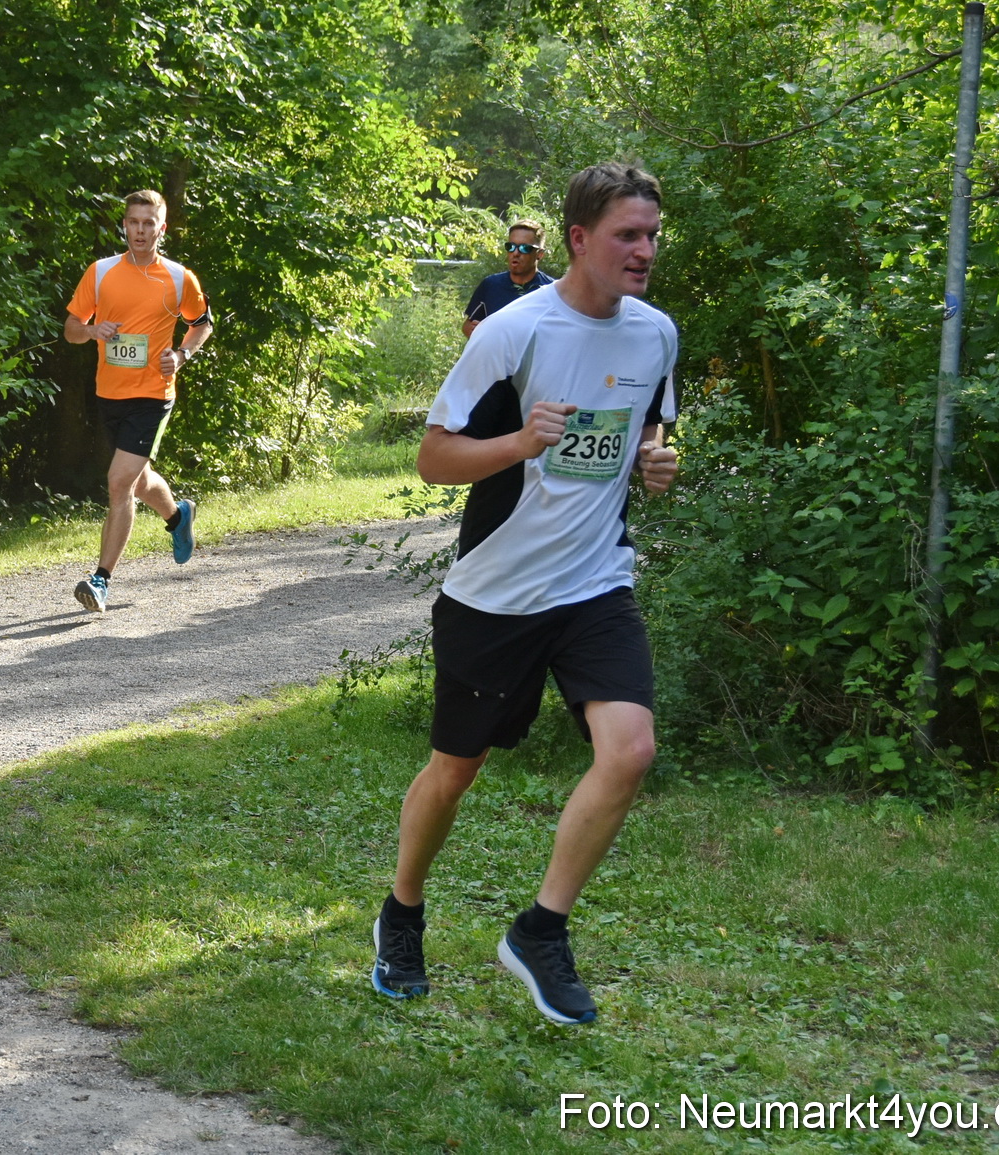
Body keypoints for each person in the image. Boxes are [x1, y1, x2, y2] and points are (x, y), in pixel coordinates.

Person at [371, 164, 681, 1025]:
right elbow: (433, 458)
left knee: (630, 750)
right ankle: (402, 912)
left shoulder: (656, 333)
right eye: (627, 235)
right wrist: (517, 442)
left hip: (595, 583)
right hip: (495, 596)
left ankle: (541, 930)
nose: (645, 250)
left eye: (653, 235)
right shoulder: (514, 332)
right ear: (578, 239)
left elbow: (649, 419)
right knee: (455, 770)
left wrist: (655, 458)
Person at [63, 190, 213, 613]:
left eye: (149, 223)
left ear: (162, 229)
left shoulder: (179, 278)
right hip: (109, 394)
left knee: (118, 481)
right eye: (134, 222)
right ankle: (178, 517)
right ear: (124, 226)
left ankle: (100, 580)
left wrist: (181, 355)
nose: (140, 230)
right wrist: (91, 331)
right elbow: (71, 328)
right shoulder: (101, 272)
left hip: (153, 394)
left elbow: (202, 324)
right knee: (138, 479)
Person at [462, 220, 554, 338]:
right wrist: (476, 332)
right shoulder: (490, 285)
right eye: (510, 247)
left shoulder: (551, 291)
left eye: (524, 248)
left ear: (539, 254)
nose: (515, 253)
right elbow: (467, 326)